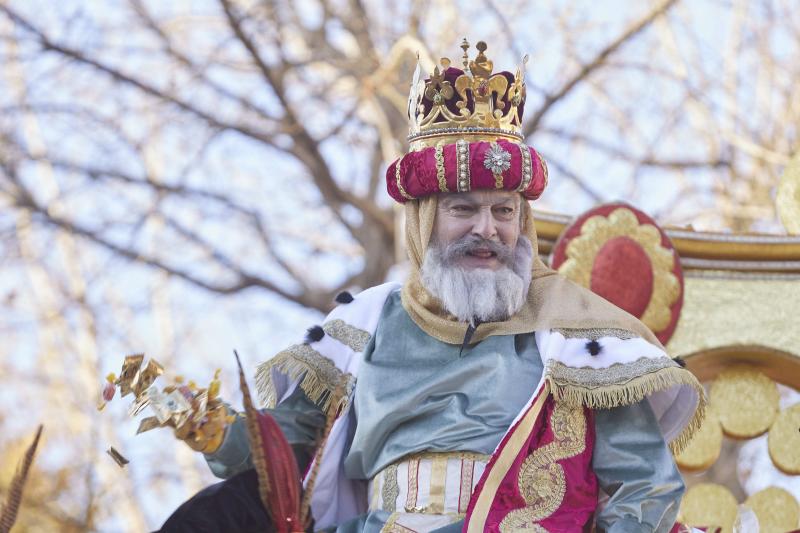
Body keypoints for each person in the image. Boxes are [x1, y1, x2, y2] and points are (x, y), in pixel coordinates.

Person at [160, 40, 705, 533]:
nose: (486, 230)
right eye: (463, 209)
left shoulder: (582, 335)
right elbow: (278, 461)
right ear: (422, 221)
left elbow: (645, 489)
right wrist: (201, 421)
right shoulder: (361, 327)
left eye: (503, 211)